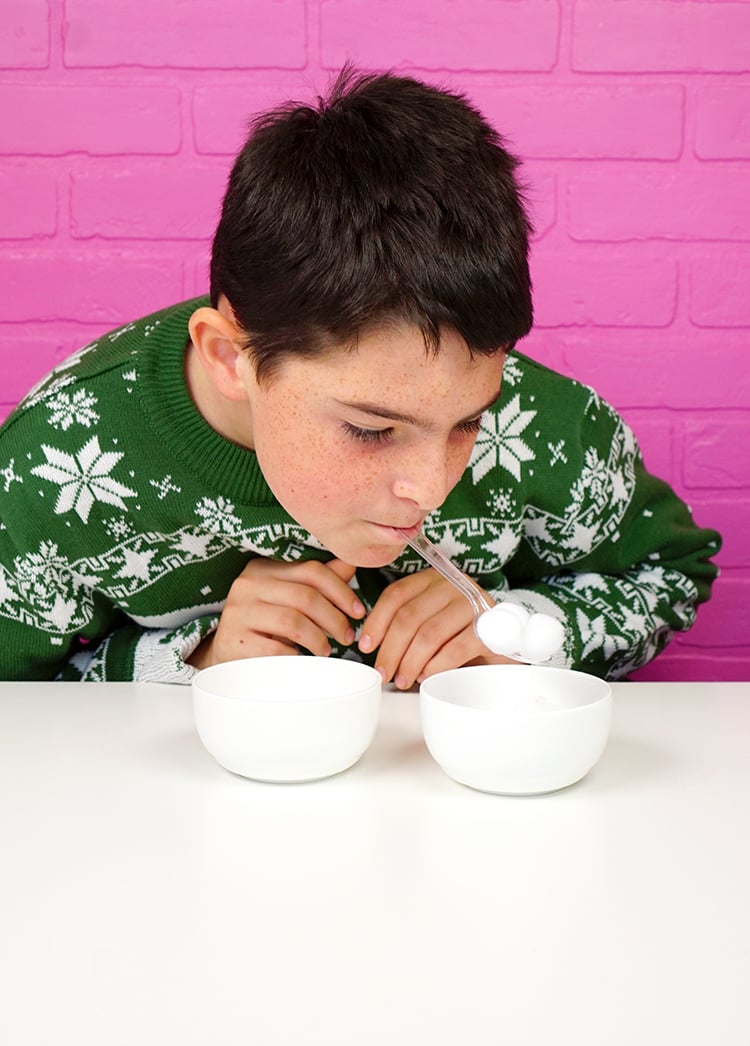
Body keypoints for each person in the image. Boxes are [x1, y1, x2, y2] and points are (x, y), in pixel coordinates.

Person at [0, 67, 721, 684]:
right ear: (231, 359)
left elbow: (672, 573)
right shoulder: (52, 469)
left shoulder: (543, 423)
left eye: (470, 422)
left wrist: (525, 628)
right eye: (372, 429)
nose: (430, 487)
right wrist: (192, 660)